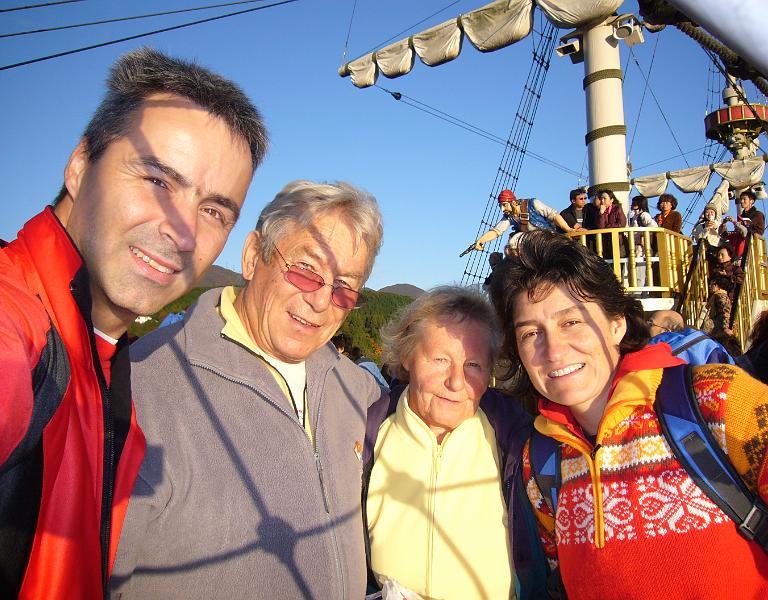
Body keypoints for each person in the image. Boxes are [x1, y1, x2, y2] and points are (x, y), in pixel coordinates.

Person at [0, 48, 266, 599]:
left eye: (215, 210)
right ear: (80, 166)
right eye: (157, 179)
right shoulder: (4, 321)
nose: (181, 231)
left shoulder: (110, 373)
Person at [112, 180, 386, 599]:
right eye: (306, 270)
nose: (321, 301)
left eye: (345, 288)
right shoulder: (142, 387)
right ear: (253, 255)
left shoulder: (355, 387)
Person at [489, 230, 768, 600]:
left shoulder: (715, 399)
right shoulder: (541, 461)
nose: (553, 351)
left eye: (571, 322)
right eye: (530, 334)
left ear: (616, 324)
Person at [364, 286, 542, 599]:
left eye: (473, 365)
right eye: (440, 360)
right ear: (407, 357)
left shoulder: (517, 440)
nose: (456, 382)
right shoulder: (365, 434)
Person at [461, 188, 573, 255]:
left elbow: (553, 215)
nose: (502, 209)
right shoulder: (509, 217)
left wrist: (568, 229)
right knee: (513, 243)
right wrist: (481, 240)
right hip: (531, 245)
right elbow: (496, 231)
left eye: (504, 205)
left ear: (513, 202)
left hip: (547, 239)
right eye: (500, 206)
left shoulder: (533, 204)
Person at [647, 310, 735, 365]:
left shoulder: (650, 351)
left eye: (650, 324)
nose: (645, 326)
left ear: (666, 331)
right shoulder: (712, 346)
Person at [720, 189, 765, 260]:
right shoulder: (741, 216)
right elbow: (737, 233)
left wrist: (737, 224)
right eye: (741, 199)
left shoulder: (758, 215)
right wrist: (724, 225)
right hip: (739, 248)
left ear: (751, 201)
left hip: (752, 248)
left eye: (744, 199)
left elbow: (758, 232)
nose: (741, 201)